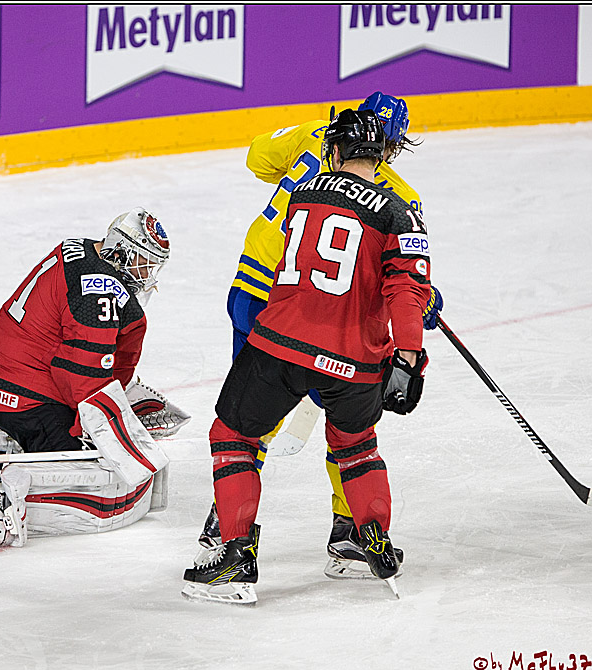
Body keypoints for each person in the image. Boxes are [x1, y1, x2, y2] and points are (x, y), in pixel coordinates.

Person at [182, 108, 432, 604]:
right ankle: (366, 540)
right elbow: (404, 289)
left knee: (235, 434)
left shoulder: (304, 188)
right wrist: (409, 357)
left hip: (280, 337)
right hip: (357, 356)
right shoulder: (402, 207)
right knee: (357, 445)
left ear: (333, 149)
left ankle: (233, 551)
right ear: (384, 152)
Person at [0, 208, 188, 547]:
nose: (147, 275)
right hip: (25, 393)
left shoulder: (83, 250)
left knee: (84, 444)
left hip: (9, 374)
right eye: (143, 263)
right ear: (121, 250)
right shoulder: (99, 292)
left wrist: (119, 400)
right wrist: (108, 434)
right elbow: (81, 378)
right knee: (92, 474)